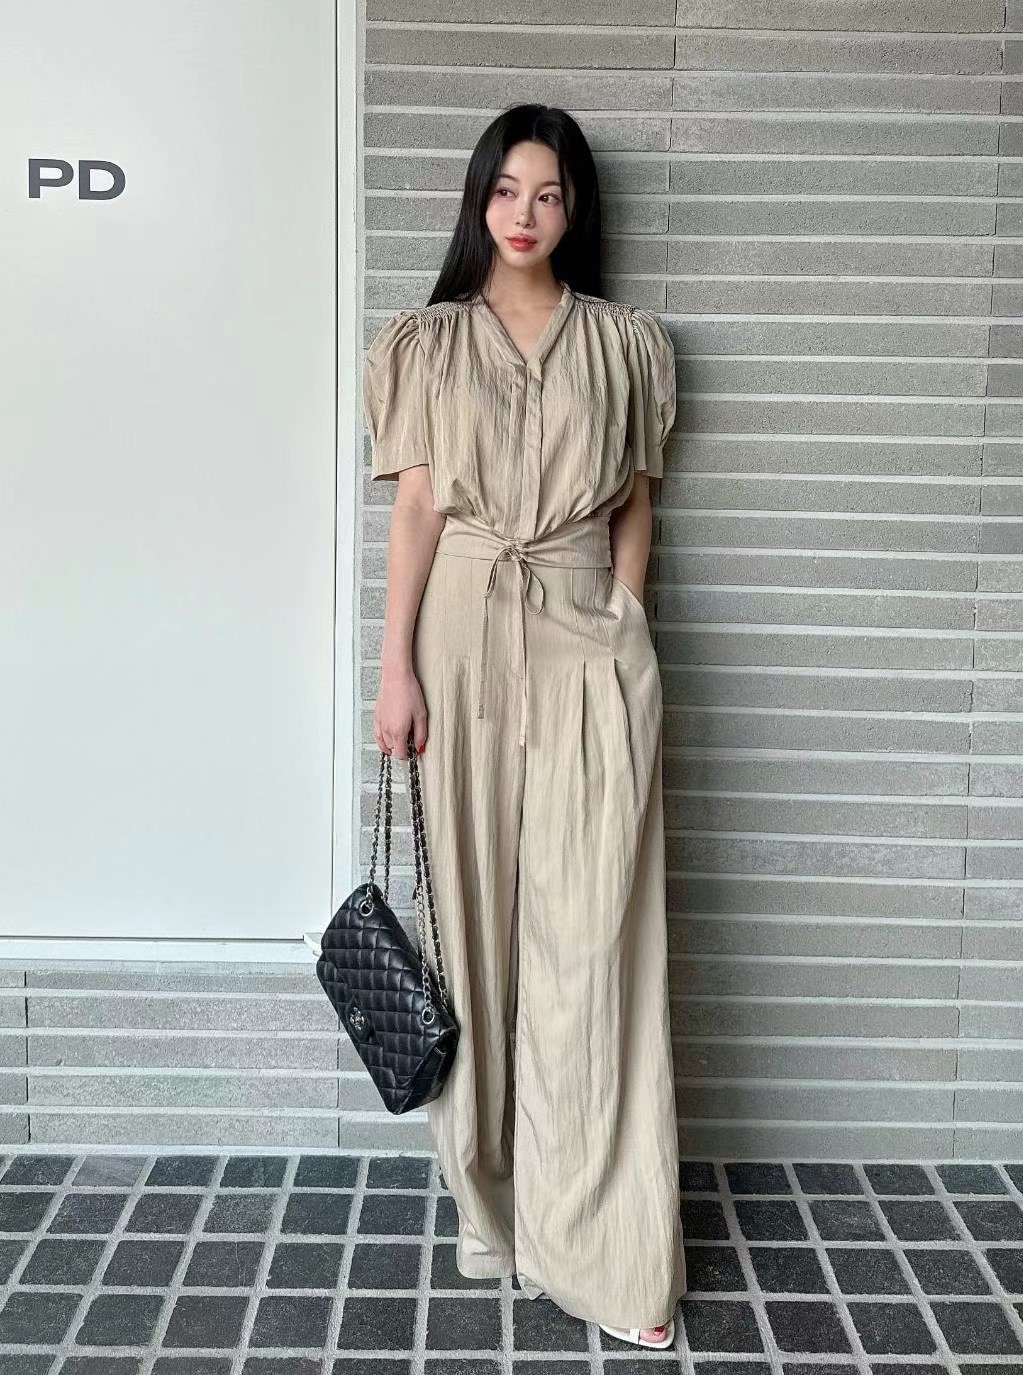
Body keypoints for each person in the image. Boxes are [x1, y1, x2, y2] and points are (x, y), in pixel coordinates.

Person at [362, 102, 685, 1350]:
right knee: (476, 933)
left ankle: (596, 1239)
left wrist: (626, 624)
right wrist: (395, 669)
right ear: (478, 200)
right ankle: (493, 1214)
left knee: (591, 935)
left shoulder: (623, 342)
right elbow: (417, 513)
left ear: (574, 208)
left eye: (547, 193)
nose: (523, 213)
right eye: (504, 189)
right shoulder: (432, 340)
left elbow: (636, 504)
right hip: (459, 636)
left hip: (583, 634)